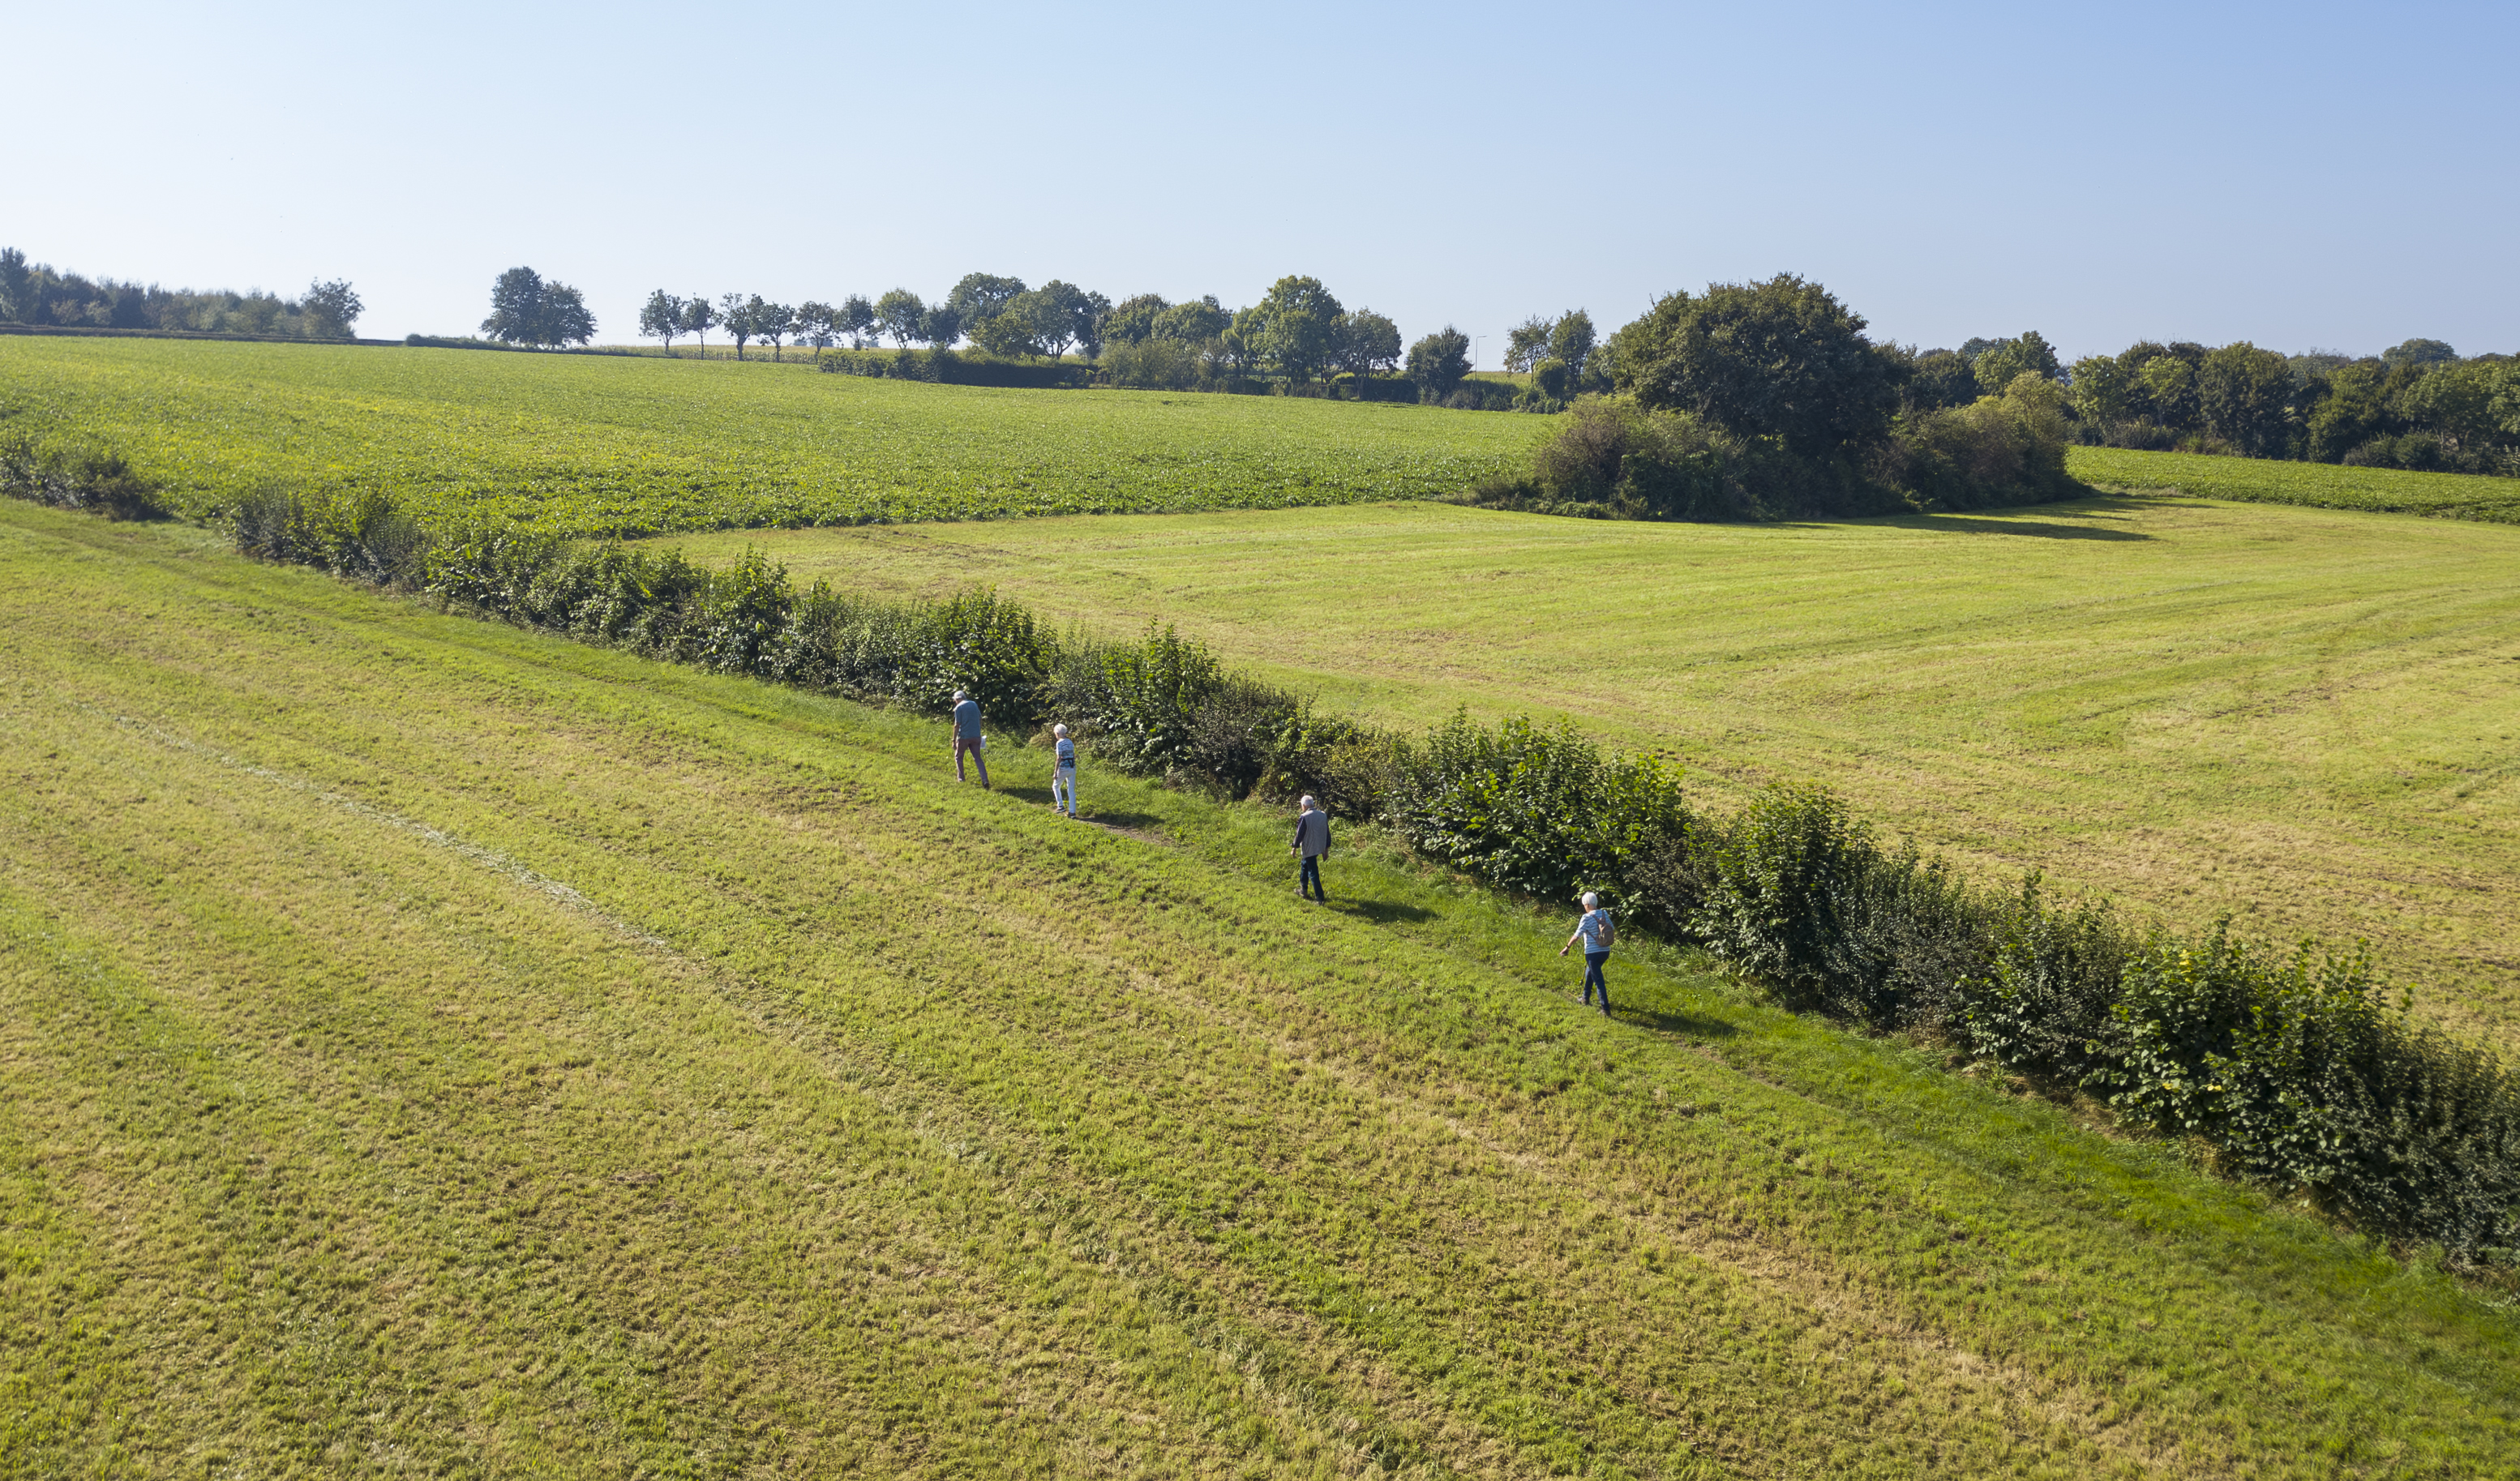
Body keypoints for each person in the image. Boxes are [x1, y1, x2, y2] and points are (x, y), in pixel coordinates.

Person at [1560, 891, 1615, 1014]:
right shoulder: (1604, 914)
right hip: (1605, 951)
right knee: (1590, 972)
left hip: (1593, 954)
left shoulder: (1586, 917)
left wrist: (1567, 947)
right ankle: (1585, 998)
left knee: (1598, 980)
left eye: (1584, 905)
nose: (1584, 907)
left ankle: (1605, 1009)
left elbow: (1577, 936)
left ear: (1588, 905)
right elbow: (1612, 928)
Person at [1290, 794, 1331, 901]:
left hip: (1309, 847)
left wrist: (1294, 848)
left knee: (1313, 872)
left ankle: (1320, 898)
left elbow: (1299, 835)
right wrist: (1326, 849)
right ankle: (1303, 890)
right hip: (1319, 846)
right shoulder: (1323, 815)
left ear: (1304, 806)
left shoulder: (1304, 817)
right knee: (1304, 865)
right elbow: (1327, 832)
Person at [950, 689, 989, 788]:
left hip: (964, 737)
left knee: (959, 756)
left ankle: (961, 779)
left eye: (955, 700)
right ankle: (985, 780)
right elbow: (980, 719)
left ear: (957, 699)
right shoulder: (974, 704)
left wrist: (954, 740)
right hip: (976, 736)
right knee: (978, 758)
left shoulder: (959, 707)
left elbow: (957, 724)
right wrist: (978, 731)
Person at [1050, 723, 1080, 818]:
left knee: (1055, 786)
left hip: (1063, 768)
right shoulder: (1070, 742)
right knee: (1071, 790)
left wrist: (1055, 772)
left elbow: (1059, 758)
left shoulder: (1059, 743)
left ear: (1058, 733)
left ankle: (1060, 806)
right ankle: (1072, 812)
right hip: (1072, 767)